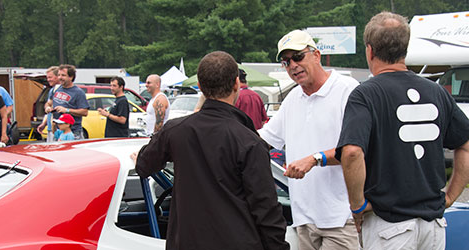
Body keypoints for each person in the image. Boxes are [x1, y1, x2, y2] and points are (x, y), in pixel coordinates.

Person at [336, 12, 469, 250]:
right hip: (433, 225)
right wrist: (450, 196)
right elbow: (466, 144)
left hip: (389, 224)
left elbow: (353, 153)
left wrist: (357, 207)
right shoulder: (436, 91)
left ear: (370, 51)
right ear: (405, 48)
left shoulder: (365, 94)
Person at [134, 51, 290, 250]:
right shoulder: (249, 141)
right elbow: (266, 209)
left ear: (199, 87)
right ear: (237, 84)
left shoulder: (175, 131)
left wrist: (140, 154)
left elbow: (144, 165)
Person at [258, 29, 359, 249]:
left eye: (298, 57)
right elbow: (262, 140)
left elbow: (358, 149)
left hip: (341, 218)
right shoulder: (293, 98)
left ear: (316, 55)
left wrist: (315, 159)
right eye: (286, 62)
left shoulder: (347, 90)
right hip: (303, 220)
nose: (293, 65)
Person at [44, 64, 88, 140]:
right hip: (57, 131)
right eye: (59, 75)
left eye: (63, 75)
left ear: (71, 77)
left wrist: (66, 110)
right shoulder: (55, 89)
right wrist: (47, 108)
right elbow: (49, 103)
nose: (60, 78)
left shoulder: (78, 92)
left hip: (73, 132)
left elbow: (84, 112)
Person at [37, 66, 61, 141]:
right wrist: (44, 124)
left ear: (58, 76)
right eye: (47, 78)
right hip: (51, 129)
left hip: (62, 129)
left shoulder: (63, 90)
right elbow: (49, 105)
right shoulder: (52, 90)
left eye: (50, 77)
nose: (48, 80)